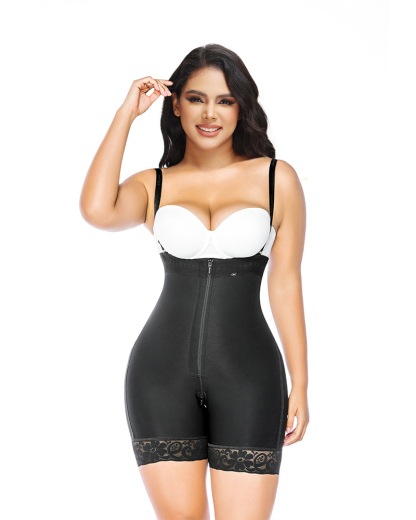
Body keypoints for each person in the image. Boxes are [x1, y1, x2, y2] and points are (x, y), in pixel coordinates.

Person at [79, 43, 309, 520]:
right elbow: (97, 210)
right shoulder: (154, 184)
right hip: (159, 373)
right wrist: (126, 115)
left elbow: (285, 282)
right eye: (196, 98)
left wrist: (301, 382)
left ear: (241, 107)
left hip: (249, 375)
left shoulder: (276, 178)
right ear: (177, 105)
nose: (210, 113)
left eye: (225, 100)